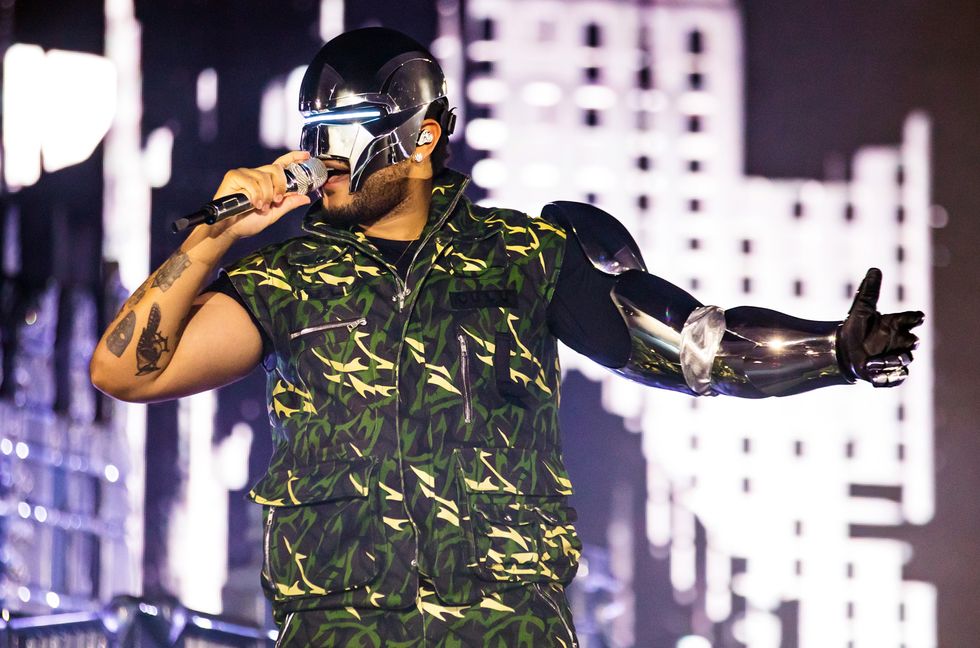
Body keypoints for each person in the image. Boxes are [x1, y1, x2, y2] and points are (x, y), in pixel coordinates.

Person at [90, 27, 923, 647]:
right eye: (313, 131)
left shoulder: (529, 255)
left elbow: (699, 349)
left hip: (504, 626)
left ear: (419, 135)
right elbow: (125, 372)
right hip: (338, 626)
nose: (321, 156)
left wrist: (834, 352)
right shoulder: (290, 278)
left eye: (344, 129)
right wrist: (214, 237)